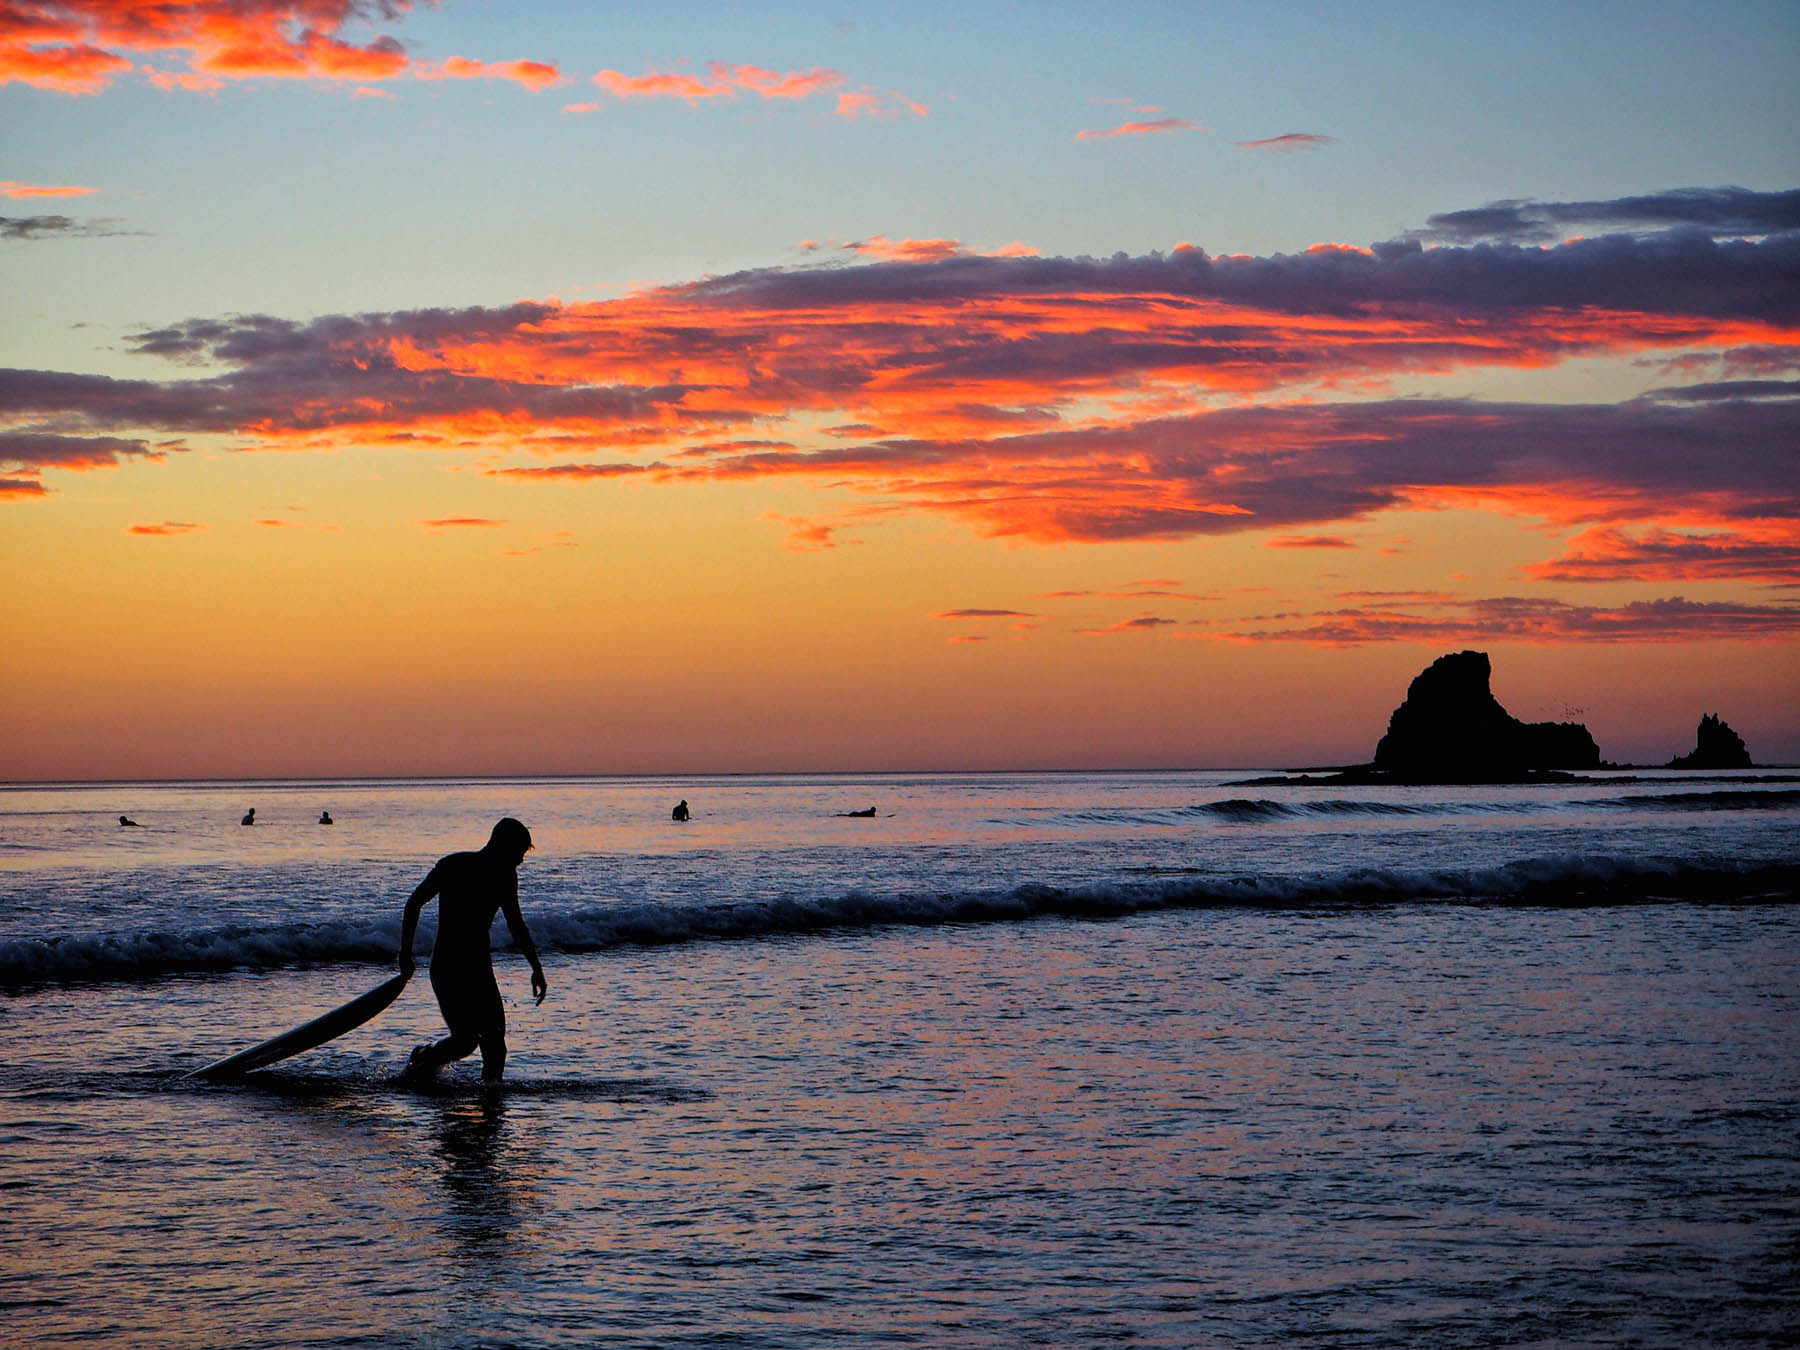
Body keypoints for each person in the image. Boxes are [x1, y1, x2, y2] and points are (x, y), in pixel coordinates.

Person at [398, 817, 547, 1082]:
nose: (520, 861)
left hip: (479, 968)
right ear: (501, 845)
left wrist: (536, 966)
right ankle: (422, 1059)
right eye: (518, 853)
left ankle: (491, 1107)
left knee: (495, 1045)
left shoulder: (505, 877)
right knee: (465, 1042)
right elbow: (414, 903)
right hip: (446, 966)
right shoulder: (453, 866)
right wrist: (405, 953)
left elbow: (516, 924)